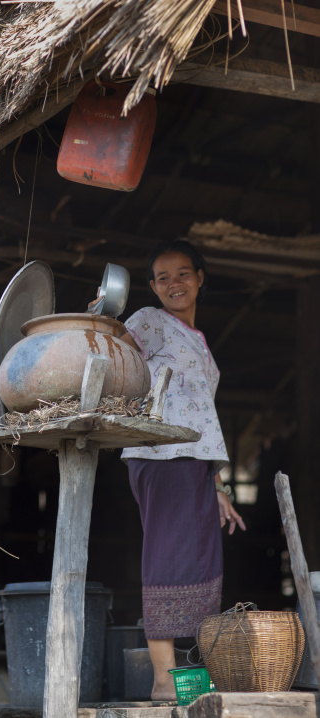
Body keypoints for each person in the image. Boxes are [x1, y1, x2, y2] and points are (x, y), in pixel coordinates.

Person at [118, 239, 246, 701]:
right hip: (159, 454)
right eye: (164, 277)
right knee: (167, 556)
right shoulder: (150, 321)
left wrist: (217, 485)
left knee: (202, 562)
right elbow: (117, 353)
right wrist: (99, 318)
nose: (175, 283)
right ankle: (161, 680)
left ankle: (187, 676)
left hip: (194, 463)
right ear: (152, 286)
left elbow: (201, 417)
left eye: (183, 273)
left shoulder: (199, 340)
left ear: (200, 277)